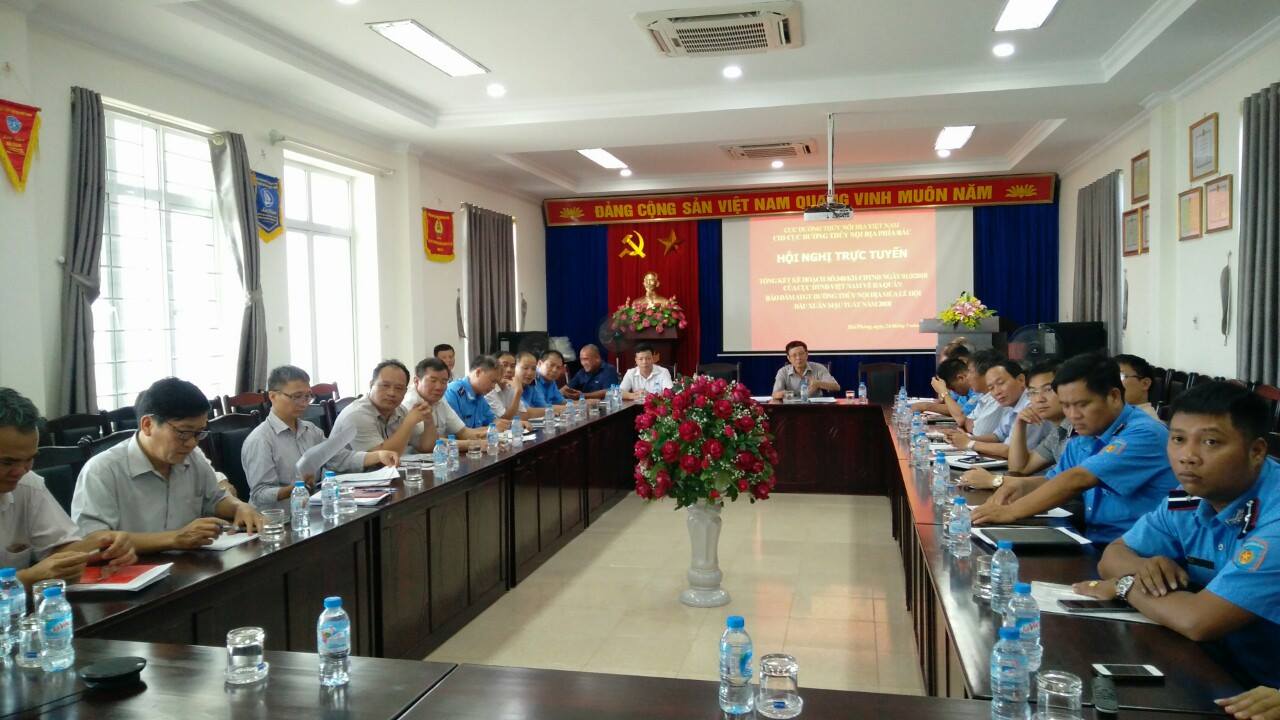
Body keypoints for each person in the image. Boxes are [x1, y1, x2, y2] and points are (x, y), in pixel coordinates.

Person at [1070, 382, 1280, 688]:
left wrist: (1124, 585)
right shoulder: (1188, 496)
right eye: (1178, 439)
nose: (1188, 456)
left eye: (1210, 442)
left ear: (1256, 451)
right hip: (1216, 665)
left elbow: (1199, 621)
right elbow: (1113, 556)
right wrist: (1144, 568)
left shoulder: (1274, 514)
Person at [971, 353, 1178, 544]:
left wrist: (1011, 512)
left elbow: (1077, 480)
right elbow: (1054, 480)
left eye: (1082, 405)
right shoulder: (1085, 434)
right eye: (1066, 406)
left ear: (1114, 396)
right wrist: (1021, 486)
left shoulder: (1144, 432)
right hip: (1093, 539)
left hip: (1138, 552)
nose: (1073, 415)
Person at [71, 377, 264, 552]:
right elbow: (91, 540)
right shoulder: (102, 470)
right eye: (183, 432)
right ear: (147, 425)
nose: (192, 443)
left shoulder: (193, 458)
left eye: (199, 433)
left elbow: (214, 499)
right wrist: (174, 539)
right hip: (129, 571)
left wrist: (239, 507)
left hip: (190, 566)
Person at [0, 388, 136, 587]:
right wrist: (28, 578)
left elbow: (59, 549)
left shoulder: (28, 484)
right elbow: (37, 574)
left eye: (29, 459)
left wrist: (103, 547)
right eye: (7, 462)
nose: (21, 471)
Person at [242, 366, 398, 510]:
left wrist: (378, 456)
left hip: (310, 511)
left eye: (307, 396)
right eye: (296, 396)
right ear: (273, 396)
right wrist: (294, 489)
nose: (304, 403)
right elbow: (259, 494)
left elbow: (338, 458)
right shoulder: (260, 440)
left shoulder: (311, 430)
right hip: (275, 519)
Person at [963, 360, 1071, 487]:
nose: (1039, 399)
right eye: (1033, 392)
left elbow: (1068, 485)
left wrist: (995, 481)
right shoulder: (1057, 433)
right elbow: (1019, 468)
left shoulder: (1077, 432)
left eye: (1048, 389)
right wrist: (1020, 424)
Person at [944, 359, 1048, 459]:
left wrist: (970, 443)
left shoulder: (1032, 406)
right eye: (991, 388)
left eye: (1001, 383)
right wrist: (966, 438)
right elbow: (998, 436)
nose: (997, 392)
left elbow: (1011, 450)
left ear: (1021, 380)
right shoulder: (1011, 403)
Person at [331, 360, 432, 455]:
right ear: (371, 385)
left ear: (405, 391)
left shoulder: (400, 411)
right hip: (347, 469)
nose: (391, 393)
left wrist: (428, 420)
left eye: (398, 388)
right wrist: (408, 423)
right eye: (385, 385)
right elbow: (380, 459)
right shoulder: (356, 415)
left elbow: (425, 447)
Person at [943, 350, 1006, 436]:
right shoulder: (983, 396)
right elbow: (967, 420)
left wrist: (943, 392)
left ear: (986, 374)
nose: (967, 377)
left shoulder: (996, 399)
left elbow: (978, 432)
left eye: (970, 371)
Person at [444, 355, 507, 430]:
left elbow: (493, 421)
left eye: (496, 383)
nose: (493, 387)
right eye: (492, 381)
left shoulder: (480, 396)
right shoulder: (453, 392)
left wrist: (508, 424)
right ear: (478, 372)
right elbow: (460, 432)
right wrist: (492, 428)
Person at [771, 340, 840, 400]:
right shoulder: (783, 371)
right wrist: (783, 394)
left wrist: (818, 384)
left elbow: (836, 387)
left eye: (801, 354)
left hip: (815, 407)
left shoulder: (819, 368)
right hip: (791, 406)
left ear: (807, 354)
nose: (798, 358)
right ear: (789, 358)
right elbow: (774, 394)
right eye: (794, 355)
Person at [914, 358, 979, 415]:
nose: (954, 392)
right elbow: (955, 409)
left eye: (953, 389)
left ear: (960, 378)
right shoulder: (965, 394)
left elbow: (961, 413)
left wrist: (926, 406)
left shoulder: (977, 390)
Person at [486, 351, 529, 422]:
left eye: (512, 366)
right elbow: (505, 419)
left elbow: (524, 415)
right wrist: (518, 392)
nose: (509, 370)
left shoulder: (511, 387)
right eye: (504, 365)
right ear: (493, 368)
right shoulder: (488, 389)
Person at [1115, 353, 1159, 420]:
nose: (1111, 383)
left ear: (1145, 384)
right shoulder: (1118, 415)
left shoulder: (1147, 422)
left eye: (1121, 376)